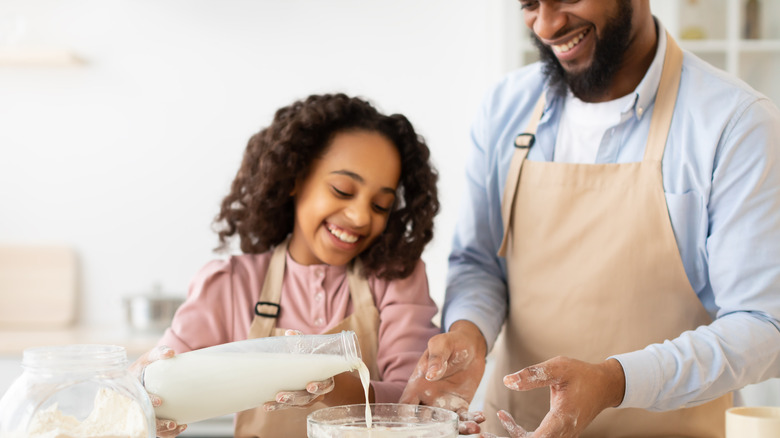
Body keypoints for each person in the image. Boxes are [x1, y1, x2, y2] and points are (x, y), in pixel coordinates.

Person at [400, 1, 780, 437]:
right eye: (529, 4)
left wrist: (614, 381)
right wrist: (469, 335)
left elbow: (763, 324)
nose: (546, 24)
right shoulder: (505, 108)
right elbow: (480, 261)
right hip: (518, 427)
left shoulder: (735, 123)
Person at [131, 93, 442, 438]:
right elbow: (159, 383)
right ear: (295, 177)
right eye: (342, 190)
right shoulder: (232, 284)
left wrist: (328, 384)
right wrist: (142, 400)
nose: (360, 216)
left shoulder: (395, 280)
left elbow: (416, 403)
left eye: (381, 205)